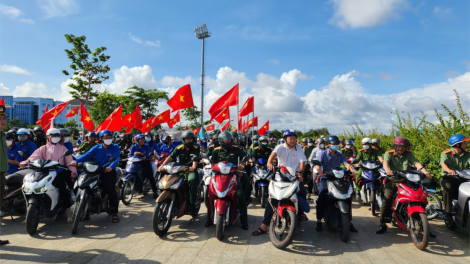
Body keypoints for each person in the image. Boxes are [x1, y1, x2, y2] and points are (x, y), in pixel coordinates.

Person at [252, 129, 308, 236]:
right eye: (290, 138)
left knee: (301, 191)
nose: (292, 140)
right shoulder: (280, 147)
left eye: (294, 138)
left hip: (294, 176)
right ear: (285, 139)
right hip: (280, 176)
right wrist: (269, 163)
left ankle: (300, 212)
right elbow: (271, 157)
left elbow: (302, 162)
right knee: (272, 198)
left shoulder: (299, 148)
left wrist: (300, 174)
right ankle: (264, 226)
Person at [19, 128, 77, 224]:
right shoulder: (43, 148)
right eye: (53, 136)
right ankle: (27, 215)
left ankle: (69, 214)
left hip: (58, 172)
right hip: (44, 172)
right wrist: (25, 162)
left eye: (57, 136)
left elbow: (69, 161)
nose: (55, 138)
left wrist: (73, 172)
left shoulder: (63, 148)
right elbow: (33, 157)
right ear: (48, 137)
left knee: (63, 190)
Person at [376, 136, 431, 234]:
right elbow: (385, 163)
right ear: (394, 146)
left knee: (419, 196)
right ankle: (383, 223)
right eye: (398, 146)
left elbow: (417, 163)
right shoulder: (389, 153)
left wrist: (425, 172)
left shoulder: (409, 154)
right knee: (387, 198)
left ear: (406, 147)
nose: (400, 148)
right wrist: (387, 170)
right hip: (393, 178)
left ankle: (423, 224)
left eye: (403, 146)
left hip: (407, 178)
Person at [71, 130, 121, 223]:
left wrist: (110, 167)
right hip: (97, 170)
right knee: (85, 184)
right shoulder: (96, 148)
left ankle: (114, 213)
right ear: (101, 139)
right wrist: (76, 161)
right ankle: (86, 209)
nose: (108, 139)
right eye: (106, 138)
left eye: (109, 138)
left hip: (108, 171)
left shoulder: (115, 147)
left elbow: (116, 158)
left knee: (110, 190)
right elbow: (87, 155)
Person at [313, 135, 358, 232]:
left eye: (337, 144)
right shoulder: (323, 154)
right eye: (333, 144)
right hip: (326, 178)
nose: (335, 146)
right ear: (328, 144)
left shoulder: (340, 154)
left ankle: (348, 222)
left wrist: (351, 170)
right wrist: (319, 170)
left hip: (338, 178)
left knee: (348, 196)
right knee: (322, 195)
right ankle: (318, 221)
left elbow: (346, 163)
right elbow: (317, 164)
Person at [207, 131, 249, 230]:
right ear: (221, 141)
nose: (229, 141)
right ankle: (209, 218)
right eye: (226, 140)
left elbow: (245, 158)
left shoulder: (236, 149)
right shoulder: (216, 150)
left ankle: (244, 221)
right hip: (218, 176)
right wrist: (213, 168)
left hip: (232, 176)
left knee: (240, 195)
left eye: (230, 139)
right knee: (211, 194)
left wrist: (241, 167)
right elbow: (213, 163)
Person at [158, 131, 200, 215]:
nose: (189, 141)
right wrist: (162, 165)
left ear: (193, 140)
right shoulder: (179, 147)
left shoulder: (196, 147)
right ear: (184, 140)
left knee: (192, 180)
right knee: (170, 180)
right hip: (179, 169)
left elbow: (195, 157)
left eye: (190, 139)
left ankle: (192, 204)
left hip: (189, 170)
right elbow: (171, 157)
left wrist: (193, 167)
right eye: (187, 139)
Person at [440, 134, 470, 226]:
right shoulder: (446, 154)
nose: (466, 144)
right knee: (447, 187)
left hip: (464, 179)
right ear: (458, 145)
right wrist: (449, 170)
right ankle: (448, 213)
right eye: (464, 142)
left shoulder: (468, 154)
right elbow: (443, 164)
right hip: (451, 178)